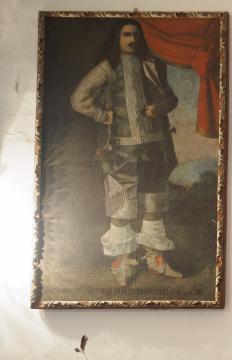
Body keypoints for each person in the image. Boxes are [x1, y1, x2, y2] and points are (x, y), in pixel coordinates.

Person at [70, 19, 181, 286]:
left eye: (136, 35)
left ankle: (156, 259)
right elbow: (79, 98)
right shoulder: (107, 68)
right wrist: (101, 114)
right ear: (117, 38)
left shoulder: (150, 65)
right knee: (121, 207)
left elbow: (171, 99)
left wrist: (159, 107)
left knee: (153, 203)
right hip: (120, 149)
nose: (132, 39)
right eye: (126, 34)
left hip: (153, 145)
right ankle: (122, 262)